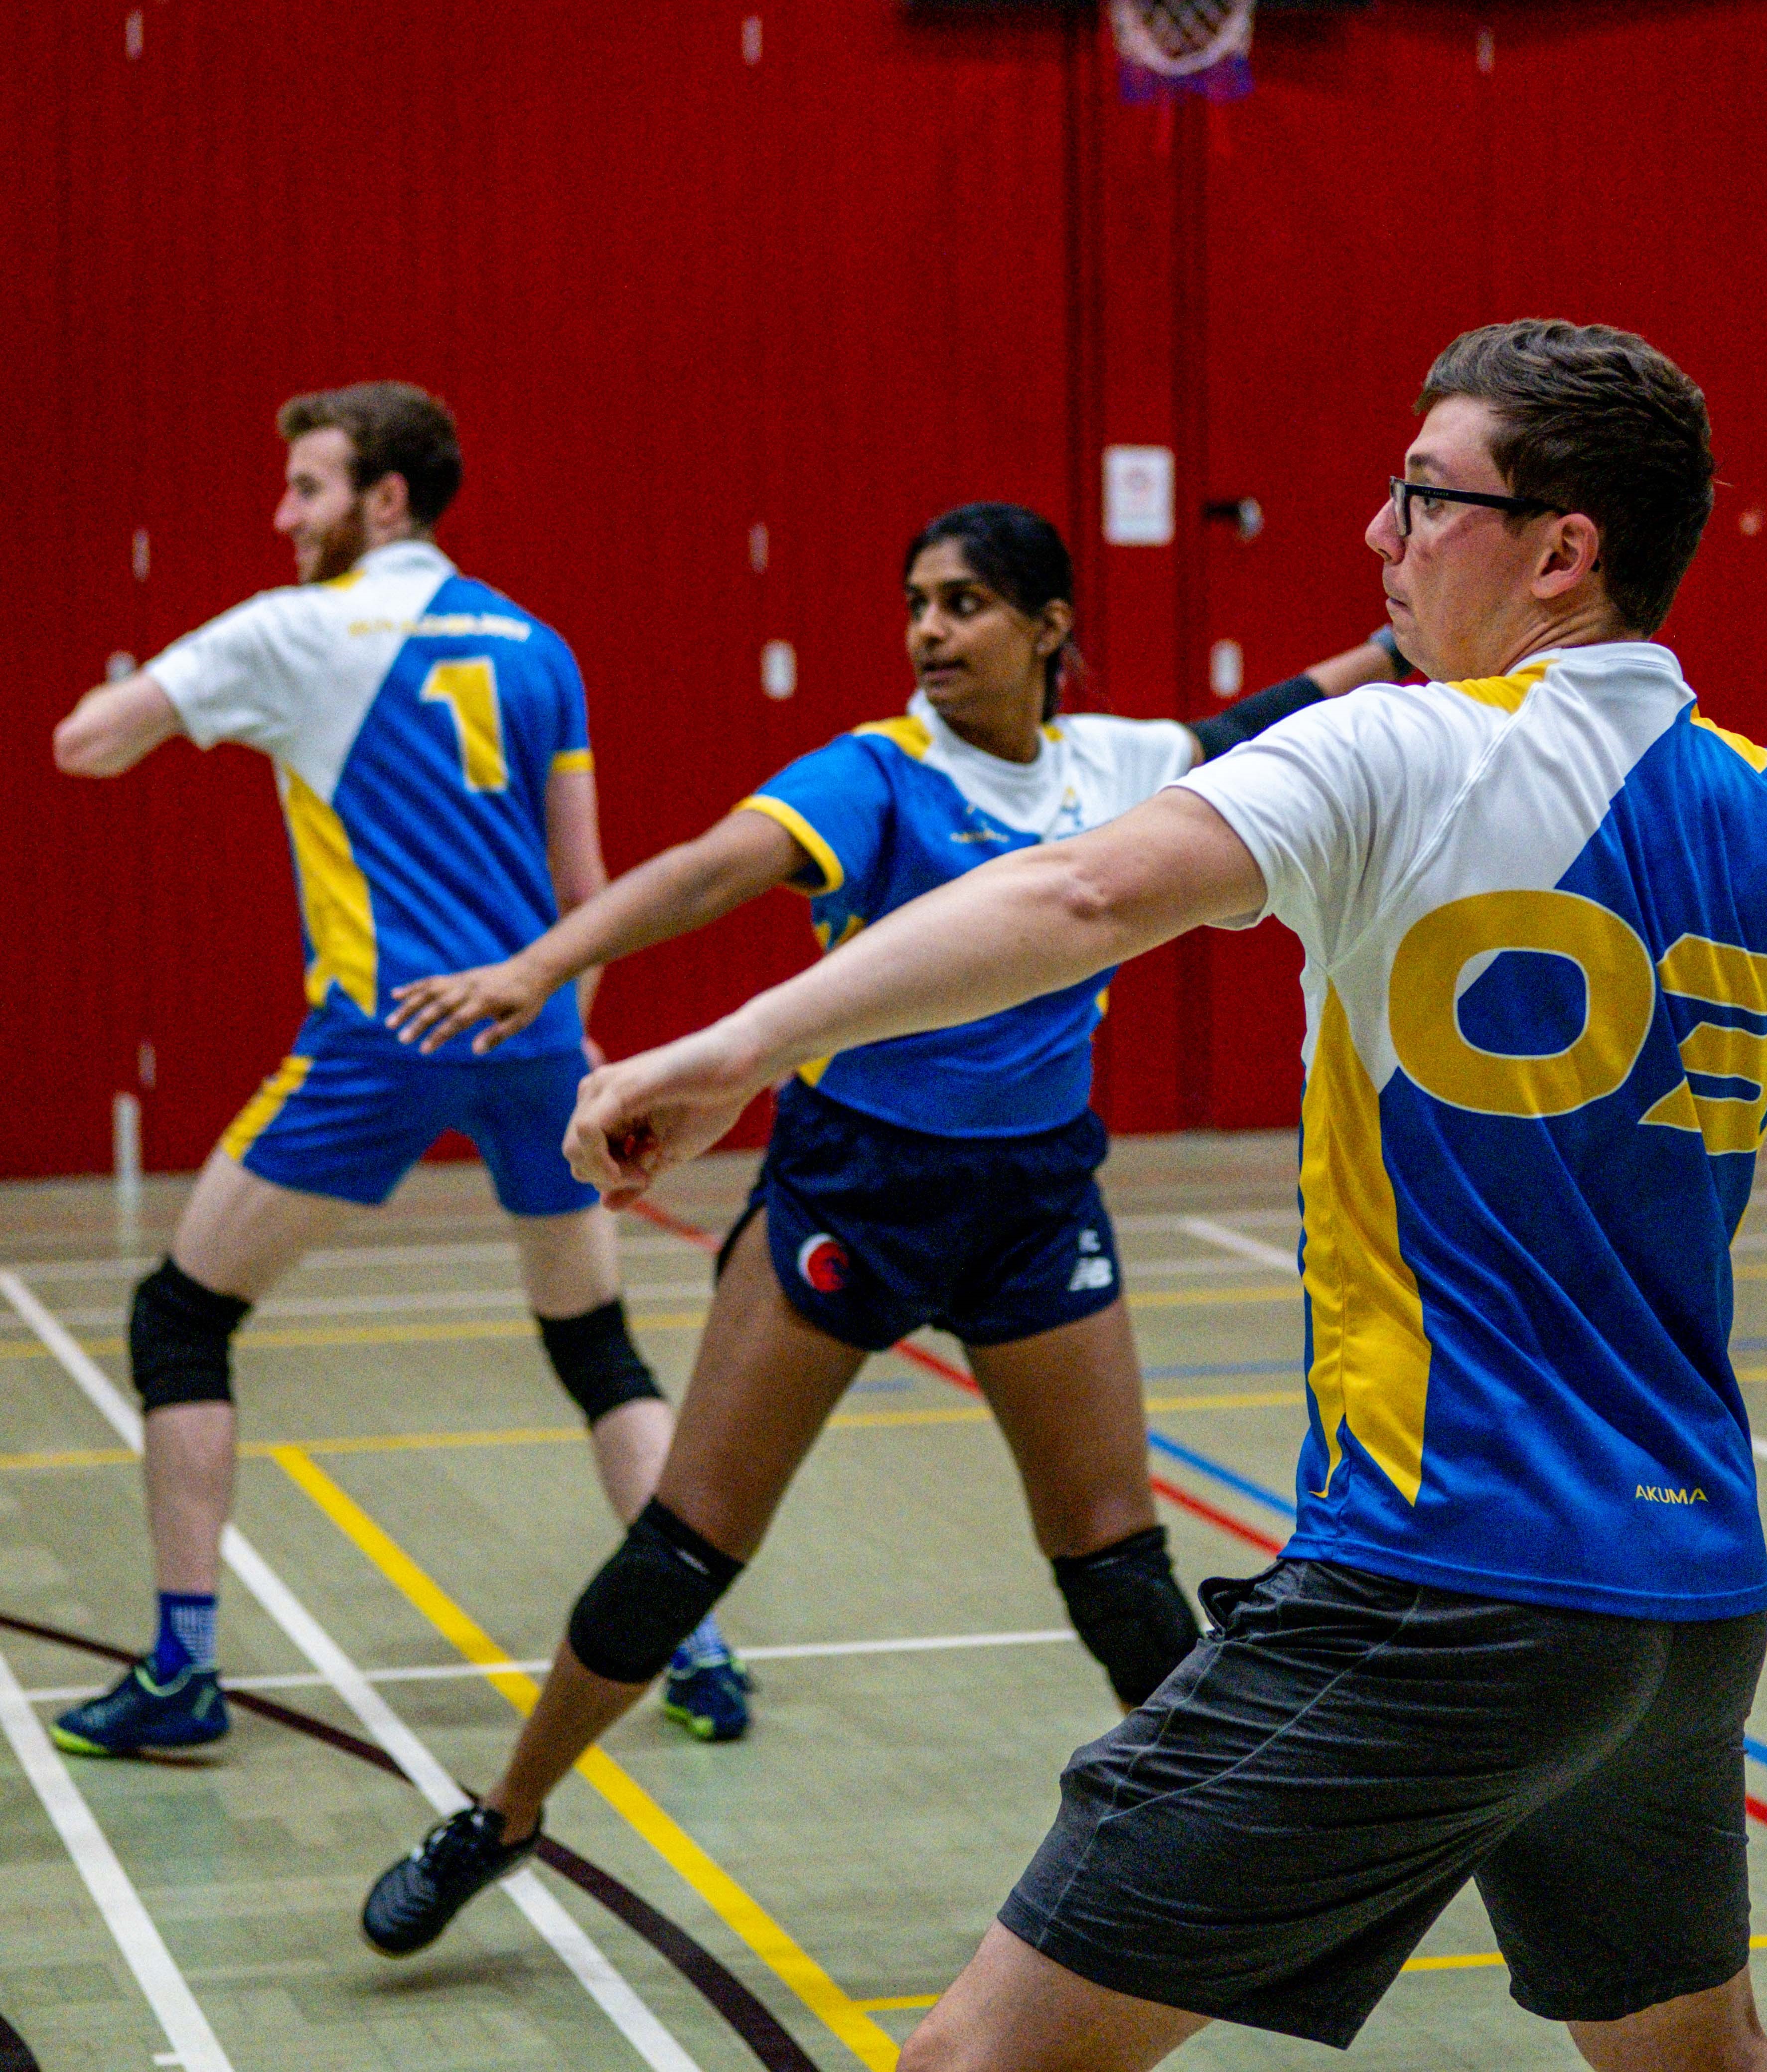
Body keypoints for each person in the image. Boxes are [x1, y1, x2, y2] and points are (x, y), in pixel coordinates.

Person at [371, 323, 1767, 2069]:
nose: (1380, 538)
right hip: (1685, 1607)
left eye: (1422, 499)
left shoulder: (1411, 755)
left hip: (1438, 1584)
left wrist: (737, 1048)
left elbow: (1077, 901)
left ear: (1561, 550)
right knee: (1699, 2064)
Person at [359, 500, 1403, 1950]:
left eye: (964, 603)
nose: (927, 631)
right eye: (916, 602)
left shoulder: (1126, 768)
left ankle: (1238, 1870)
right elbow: (706, 872)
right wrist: (538, 966)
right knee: (684, 1554)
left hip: (1036, 1204)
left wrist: (1398, 641)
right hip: (855, 1191)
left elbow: (1267, 718)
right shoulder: (880, 775)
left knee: (1119, 1575)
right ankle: (505, 1814)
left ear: (1048, 629)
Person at [50, 382, 746, 1757]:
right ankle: (703, 1649)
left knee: (179, 1321)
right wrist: (574, 1043)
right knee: (594, 1346)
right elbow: (588, 887)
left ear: (383, 500)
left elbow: (87, 743)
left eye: (305, 488)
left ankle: (183, 1671)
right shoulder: (538, 646)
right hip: (540, 1035)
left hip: (388, 1038)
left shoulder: (294, 631)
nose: (281, 514)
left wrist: (141, 684)